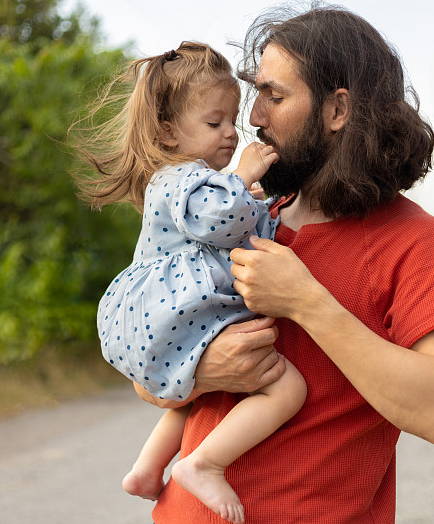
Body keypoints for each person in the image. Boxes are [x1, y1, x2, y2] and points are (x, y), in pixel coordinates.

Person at [134, 3, 434, 524]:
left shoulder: (417, 242)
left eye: (274, 97)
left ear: (337, 110)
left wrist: (306, 302)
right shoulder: (243, 219)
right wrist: (203, 372)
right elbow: (145, 374)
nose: (254, 118)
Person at [73, 41, 307, 524]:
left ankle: (147, 468)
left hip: (181, 311)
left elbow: (234, 224)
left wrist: (248, 195)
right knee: (287, 388)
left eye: (232, 121)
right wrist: (241, 177)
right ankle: (203, 464)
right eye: (214, 122)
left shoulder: (187, 180)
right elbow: (221, 221)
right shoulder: (181, 177)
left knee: (197, 386)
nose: (231, 133)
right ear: (168, 131)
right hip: (185, 306)